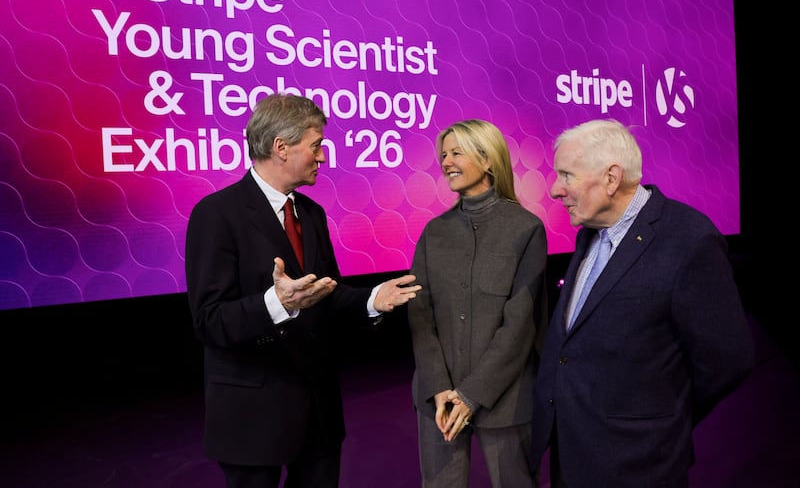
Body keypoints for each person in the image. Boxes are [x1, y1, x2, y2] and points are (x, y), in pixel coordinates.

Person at [184, 92, 421, 488]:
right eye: (316, 145)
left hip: (318, 417)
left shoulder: (310, 214)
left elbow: (324, 292)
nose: (323, 156)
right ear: (281, 147)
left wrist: (370, 299)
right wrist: (276, 303)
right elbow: (209, 321)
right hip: (252, 419)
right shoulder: (216, 214)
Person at [531, 118, 754, 488]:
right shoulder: (589, 232)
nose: (556, 189)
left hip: (639, 465)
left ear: (611, 178)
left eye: (566, 175)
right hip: (571, 455)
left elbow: (729, 360)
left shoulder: (689, 240)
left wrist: (661, 420)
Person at [407, 119, 549, 487]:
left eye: (457, 152)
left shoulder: (526, 228)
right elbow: (420, 316)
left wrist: (472, 395)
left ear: (487, 160)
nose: (446, 161)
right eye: (443, 154)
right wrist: (441, 388)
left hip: (506, 399)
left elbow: (521, 325)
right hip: (439, 403)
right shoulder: (433, 232)